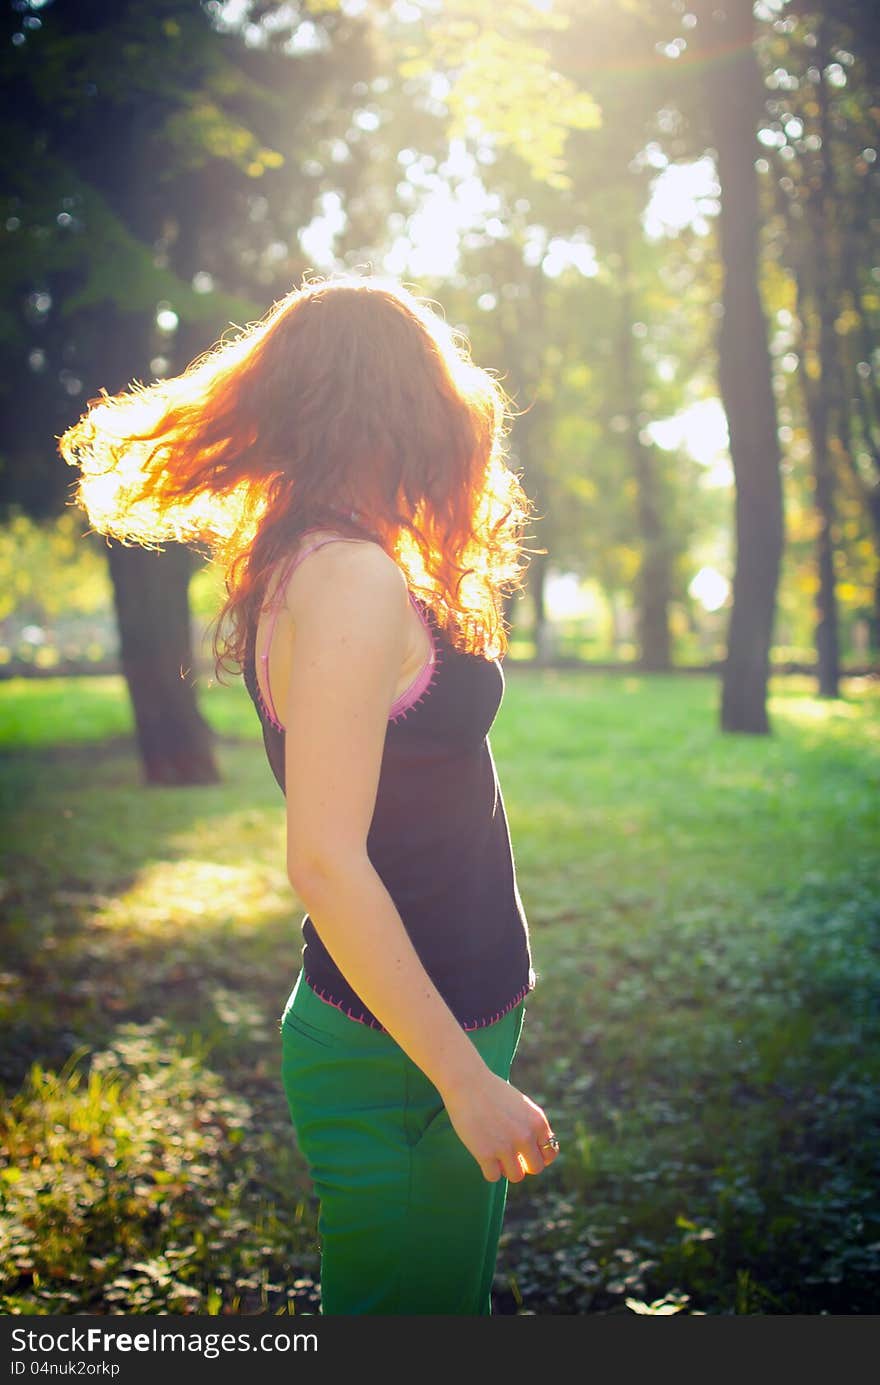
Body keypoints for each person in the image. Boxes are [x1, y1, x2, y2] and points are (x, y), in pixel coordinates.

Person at [59, 271, 559, 1315]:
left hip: (428, 1032)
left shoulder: (339, 557)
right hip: (407, 1058)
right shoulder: (346, 576)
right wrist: (465, 1081)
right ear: (396, 409)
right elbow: (324, 859)